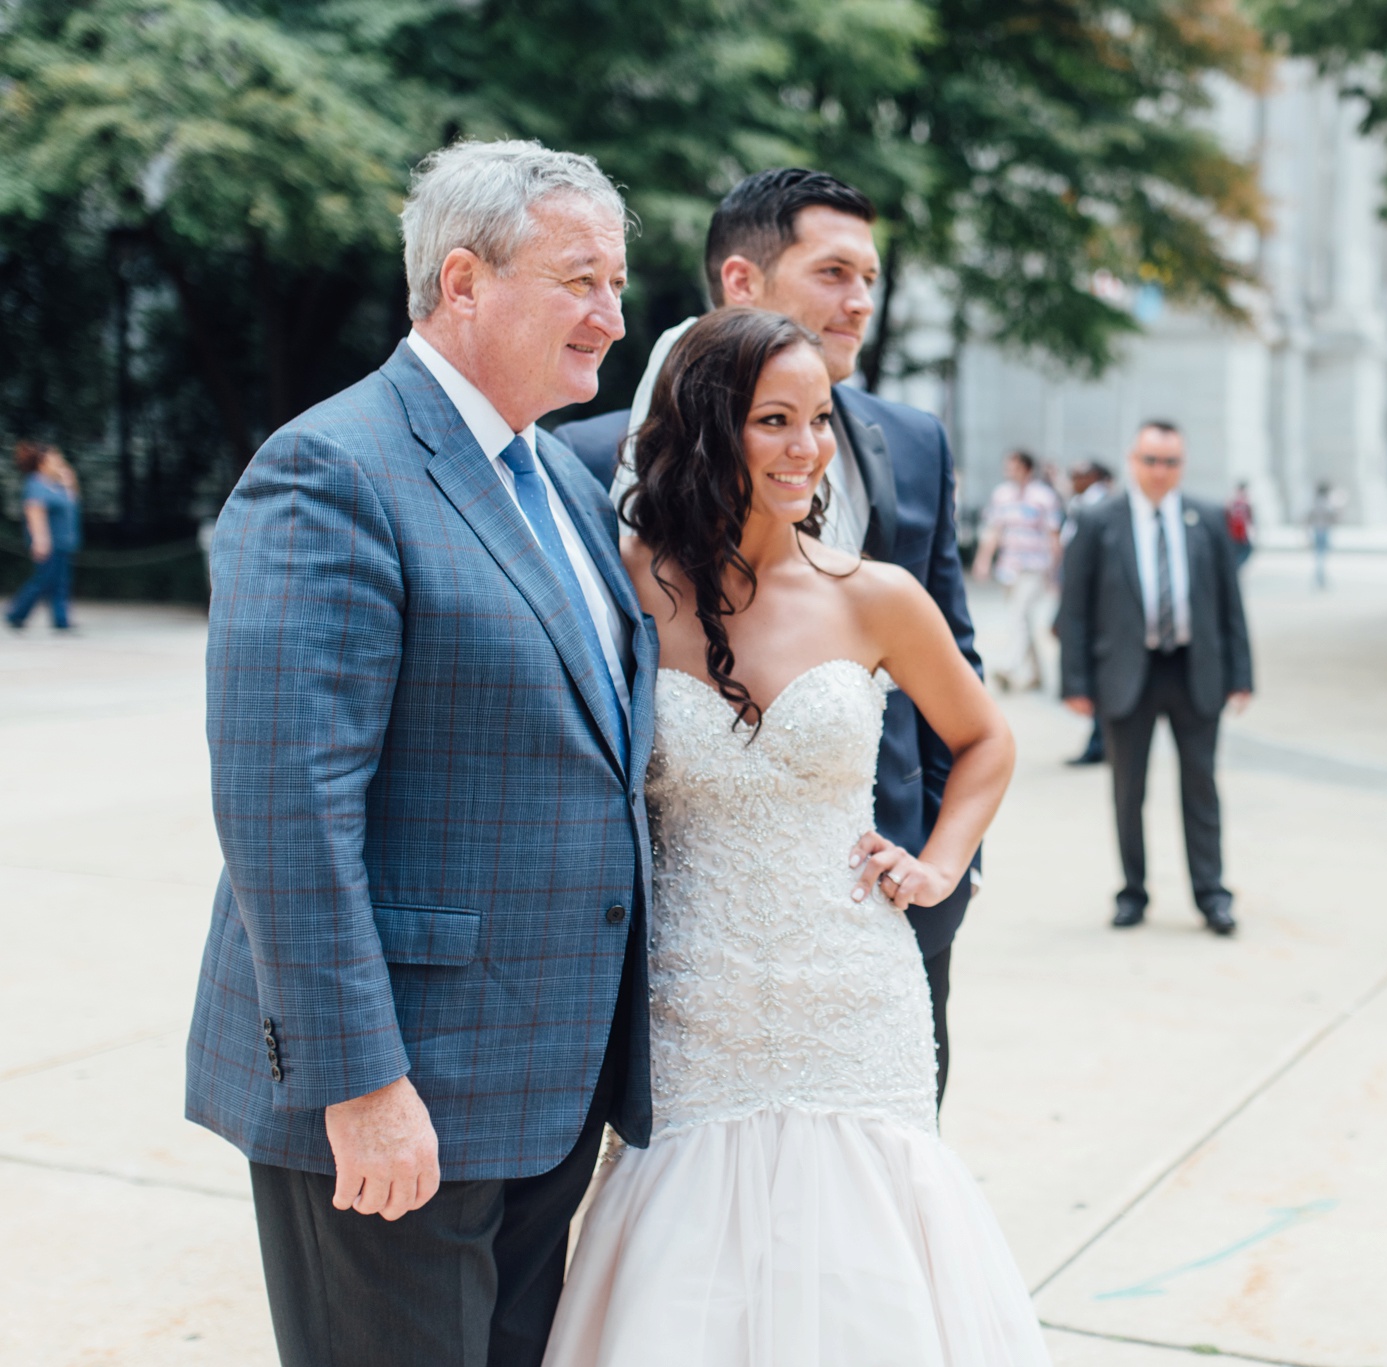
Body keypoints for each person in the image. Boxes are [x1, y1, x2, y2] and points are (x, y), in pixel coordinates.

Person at [186, 140, 656, 1367]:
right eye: (581, 280)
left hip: (542, 1087)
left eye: (616, 282)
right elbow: (285, 809)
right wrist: (357, 1085)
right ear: (463, 282)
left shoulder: (553, 471)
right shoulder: (329, 470)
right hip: (398, 1093)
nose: (612, 315)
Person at [543, 307, 1041, 1365]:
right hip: (692, 1000)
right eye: (773, 419)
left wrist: (937, 863)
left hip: (854, 992)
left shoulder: (875, 597)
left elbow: (985, 740)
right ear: (707, 426)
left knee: (866, 1269)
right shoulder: (628, 580)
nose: (806, 446)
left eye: (816, 419)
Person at [611, 168, 981, 1103]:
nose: (859, 300)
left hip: (869, 941)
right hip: (686, 983)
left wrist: (942, 869)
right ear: (743, 281)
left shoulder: (911, 455)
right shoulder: (605, 527)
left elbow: (968, 694)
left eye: (870, 277)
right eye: (833, 273)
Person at [1057, 420, 1254, 936]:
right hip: (1127, 675)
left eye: (1170, 461)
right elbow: (1074, 608)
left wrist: (1242, 673)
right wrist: (1075, 683)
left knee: (1202, 788)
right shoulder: (1099, 520)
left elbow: (1230, 603)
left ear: (1181, 465)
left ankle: (1212, 895)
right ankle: (1132, 892)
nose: (1160, 471)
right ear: (1132, 460)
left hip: (1195, 671)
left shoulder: (1208, 518)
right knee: (1128, 791)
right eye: (1151, 460)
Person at [973, 448, 1063, 691]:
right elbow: (993, 530)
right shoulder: (1002, 495)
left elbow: (1054, 536)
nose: (1008, 471)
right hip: (1009, 568)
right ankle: (1037, 673)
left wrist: (1056, 574)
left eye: (1013, 466)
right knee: (1023, 619)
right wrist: (983, 560)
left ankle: (1010, 668)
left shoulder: (1043, 497)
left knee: (1017, 617)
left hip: (1034, 568)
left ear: (1026, 468)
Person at [1063, 461, 1115, 766]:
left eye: (1080, 475)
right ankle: (1099, 739)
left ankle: (1101, 741)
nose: (1075, 480)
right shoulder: (1081, 505)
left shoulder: (1100, 509)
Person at [6, 440, 80, 631]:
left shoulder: (57, 485)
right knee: (44, 580)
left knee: (60, 582)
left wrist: (69, 482)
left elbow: (72, 504)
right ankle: (16, 614)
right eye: (54, 458)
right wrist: (40, 540)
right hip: (49, 542)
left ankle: (61, 620)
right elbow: (34, 512)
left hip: (63, 541)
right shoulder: (36, 484)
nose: (59, 461)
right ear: (42, 462)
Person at [1304, 480, 1340, 589]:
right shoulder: (1326, 503)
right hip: (1323, 531)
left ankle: (1319, 578)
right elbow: (1333, 518)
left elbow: (1308, 518)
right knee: (1321, 556)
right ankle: (1320, 579)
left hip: (1317, 530)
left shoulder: (1315, 503)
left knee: (1319, 556)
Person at [1225, 479, 1256, 570]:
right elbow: (1250, 518)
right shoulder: (1245, 502)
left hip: (1235, 534)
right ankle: (1236, 566)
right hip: (1240, 535)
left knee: (1239, 553)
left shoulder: (1232, 502)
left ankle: (1235, 566)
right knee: (1245, 551)